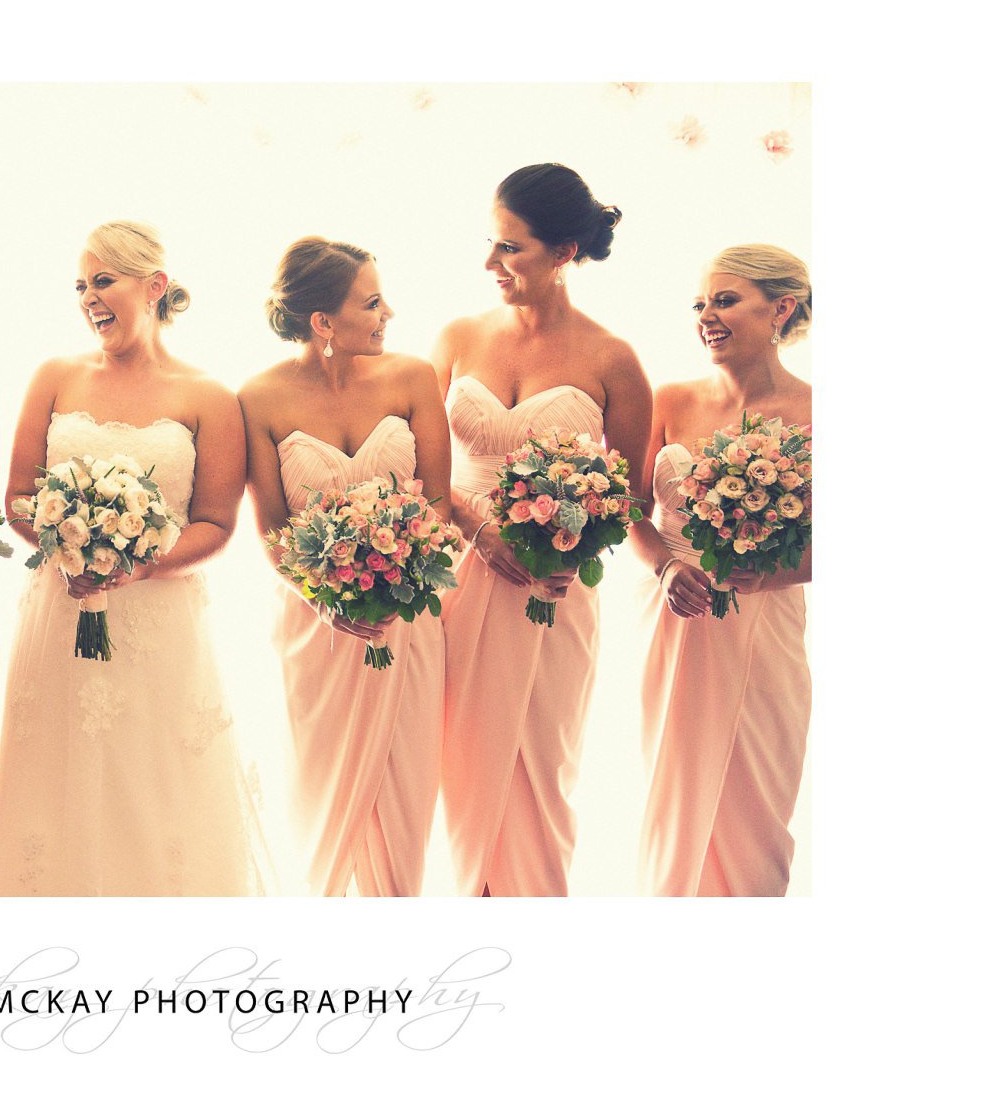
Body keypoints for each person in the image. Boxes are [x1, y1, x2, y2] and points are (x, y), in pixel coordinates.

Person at [0, 220, 263, 895]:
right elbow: (17, 494)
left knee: (151, 781)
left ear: (154, 286)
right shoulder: (54, 377)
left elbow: (215, 522)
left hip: (159, 622)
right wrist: (64, 547)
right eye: (80, 285)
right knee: (57, 778)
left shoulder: (210, 398)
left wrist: (138, 564)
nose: (88, 297)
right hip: (60, 606)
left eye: (103, 281)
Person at [432, 163, 652, 896]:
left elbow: (628, 494)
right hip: (457, 580)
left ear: (563, 255)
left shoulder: (612, 360)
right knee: (460, 759)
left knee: (539, 759)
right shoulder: (457, 338)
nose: (490, 264)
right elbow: (425, 470)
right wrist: (479, 533)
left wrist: (572, 542)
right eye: (491, 244)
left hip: (553, 587)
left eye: (510, 249)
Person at [239, 237, 449, 896]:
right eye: (372, 302)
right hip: (316, 627)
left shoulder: (413, 377)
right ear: (322, 323)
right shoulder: (259, 398)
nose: (387, 313)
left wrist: (405, 576)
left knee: (406, 785)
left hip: (408, 619)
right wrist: (324, 597)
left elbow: (438, 499)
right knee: (322, 790)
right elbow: (272, 527)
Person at [632, 244, 813, 896]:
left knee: (756, 806)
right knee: (674, 793)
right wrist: (661, 566)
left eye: (724, 300)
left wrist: (755, 577)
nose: (706, 315)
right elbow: (628, 507)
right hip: (675, 620)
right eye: (700, 303)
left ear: (780, 308)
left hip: (764, 627)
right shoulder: (669, 399)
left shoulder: (818, 412)